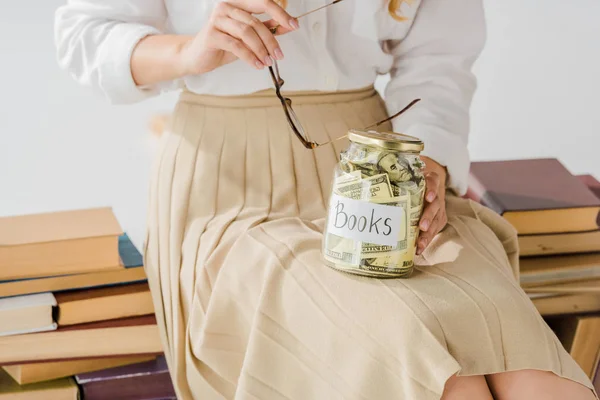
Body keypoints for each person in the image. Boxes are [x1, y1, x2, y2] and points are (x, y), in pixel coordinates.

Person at [54, 1, 598, 399]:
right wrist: (191, 50)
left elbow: (439, 65)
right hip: (232, 189)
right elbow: (85, 35)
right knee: (431, 371)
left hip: (379, 160)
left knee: (532, 372)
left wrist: (428, 157)